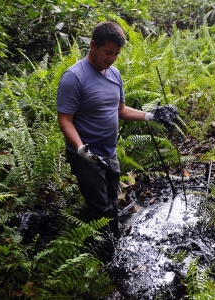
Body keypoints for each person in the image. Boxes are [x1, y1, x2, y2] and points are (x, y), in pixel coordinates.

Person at [56, 21, 156, 256]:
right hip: (85, 155)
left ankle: (114, 239)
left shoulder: (114, 74)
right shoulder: (74, 78)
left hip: (109, 152)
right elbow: (65, 120)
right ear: (93, 45)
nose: (112, 59)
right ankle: (103, 254)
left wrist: (151, 115)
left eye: (116, 54)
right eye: (107, 52)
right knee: (99, 205)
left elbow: (120, 109)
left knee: (112, 195)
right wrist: (81, 149)